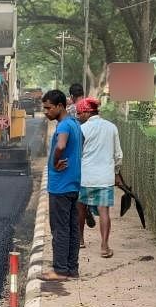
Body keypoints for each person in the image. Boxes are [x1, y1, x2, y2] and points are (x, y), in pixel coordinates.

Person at [41, 89, 83, 281]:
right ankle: (72, 269)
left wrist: (56, 161)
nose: (45, 112)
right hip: (73, 182)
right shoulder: (75, 123)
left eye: (48, 108)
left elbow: (60, 146)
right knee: (72, 227)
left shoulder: (64, 126)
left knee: (60, 228)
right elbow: (82, 141)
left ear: (59, 106)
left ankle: (59, 270)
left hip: (61, 185)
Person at [76, 97, 123, 258]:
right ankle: (104, 246)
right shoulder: (111, 127)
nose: (78, 116)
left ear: (88, 112)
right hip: (105, 178)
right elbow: (118, 154)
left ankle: (80, 240)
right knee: (104, 211)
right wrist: (116, 172)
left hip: (85, 177)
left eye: (80, 113)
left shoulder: (82, 130)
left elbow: (78, 153)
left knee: (80, 209)